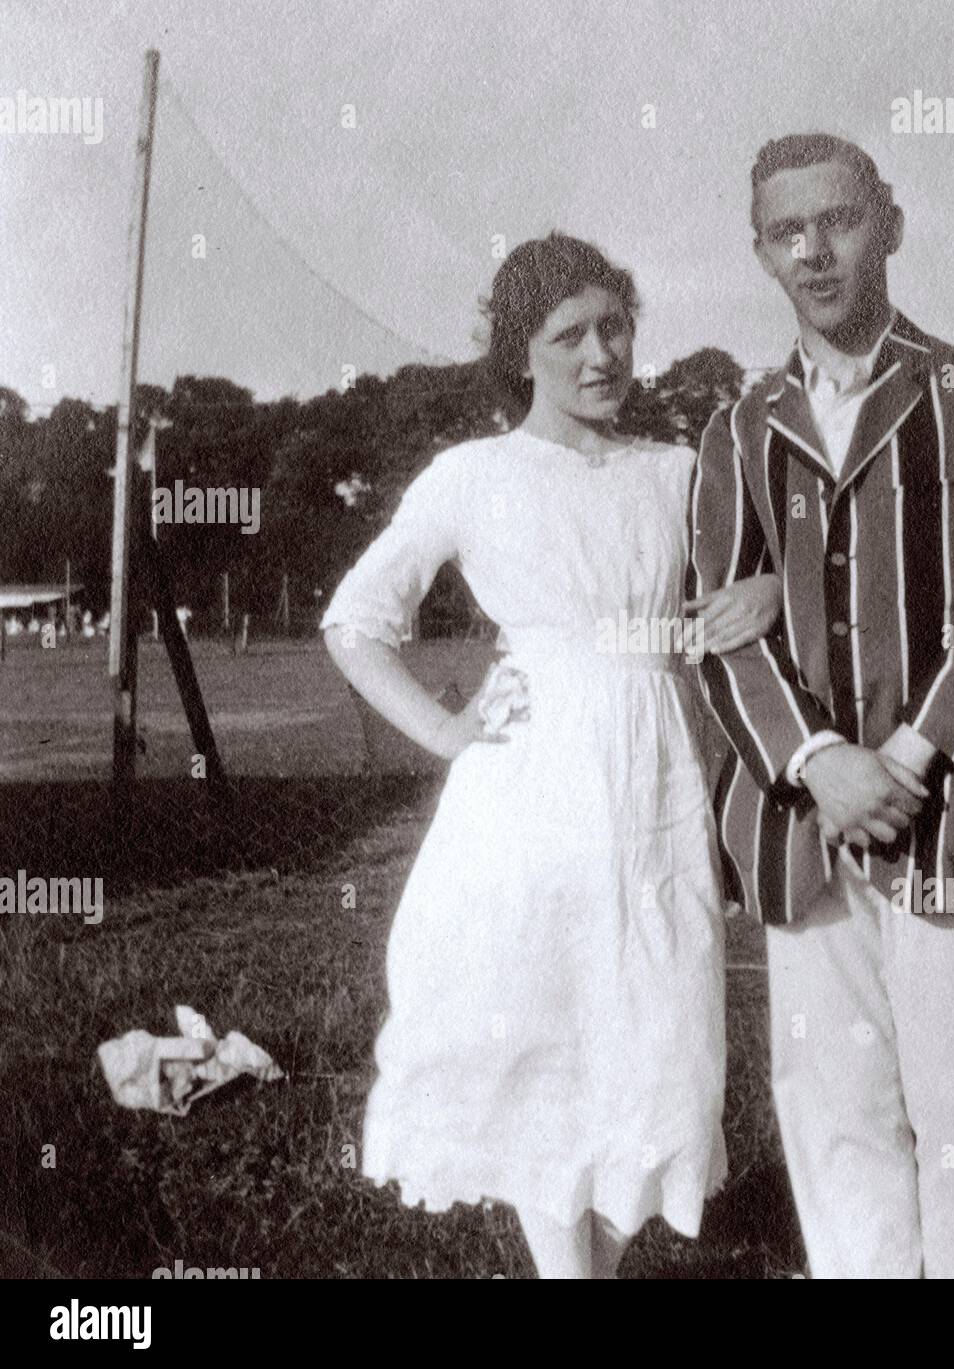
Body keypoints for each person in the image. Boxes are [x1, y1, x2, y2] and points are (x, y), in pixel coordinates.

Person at [322, 232, 782, 1278]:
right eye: (568, 334)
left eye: (614, 326)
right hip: (525, 795)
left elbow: (771, 578)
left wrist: (762, 591)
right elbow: (357, 621)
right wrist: (444, 729)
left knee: (658, 1044)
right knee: (534, 1036)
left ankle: (599, 1264)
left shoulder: (680, 471)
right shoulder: (471, 474)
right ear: (519, 352)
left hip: (655, 787)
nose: (598, 354)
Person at [688, 133, 954, 1278]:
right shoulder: (737, 424)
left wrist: (902, 758)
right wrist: (817, 761)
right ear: (759, 252)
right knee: (833, 1109)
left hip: (952, 816)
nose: (815, 250)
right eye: (785, 231)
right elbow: (717, 629)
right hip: (804, 827)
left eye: (839, 219)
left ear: (891, 224)